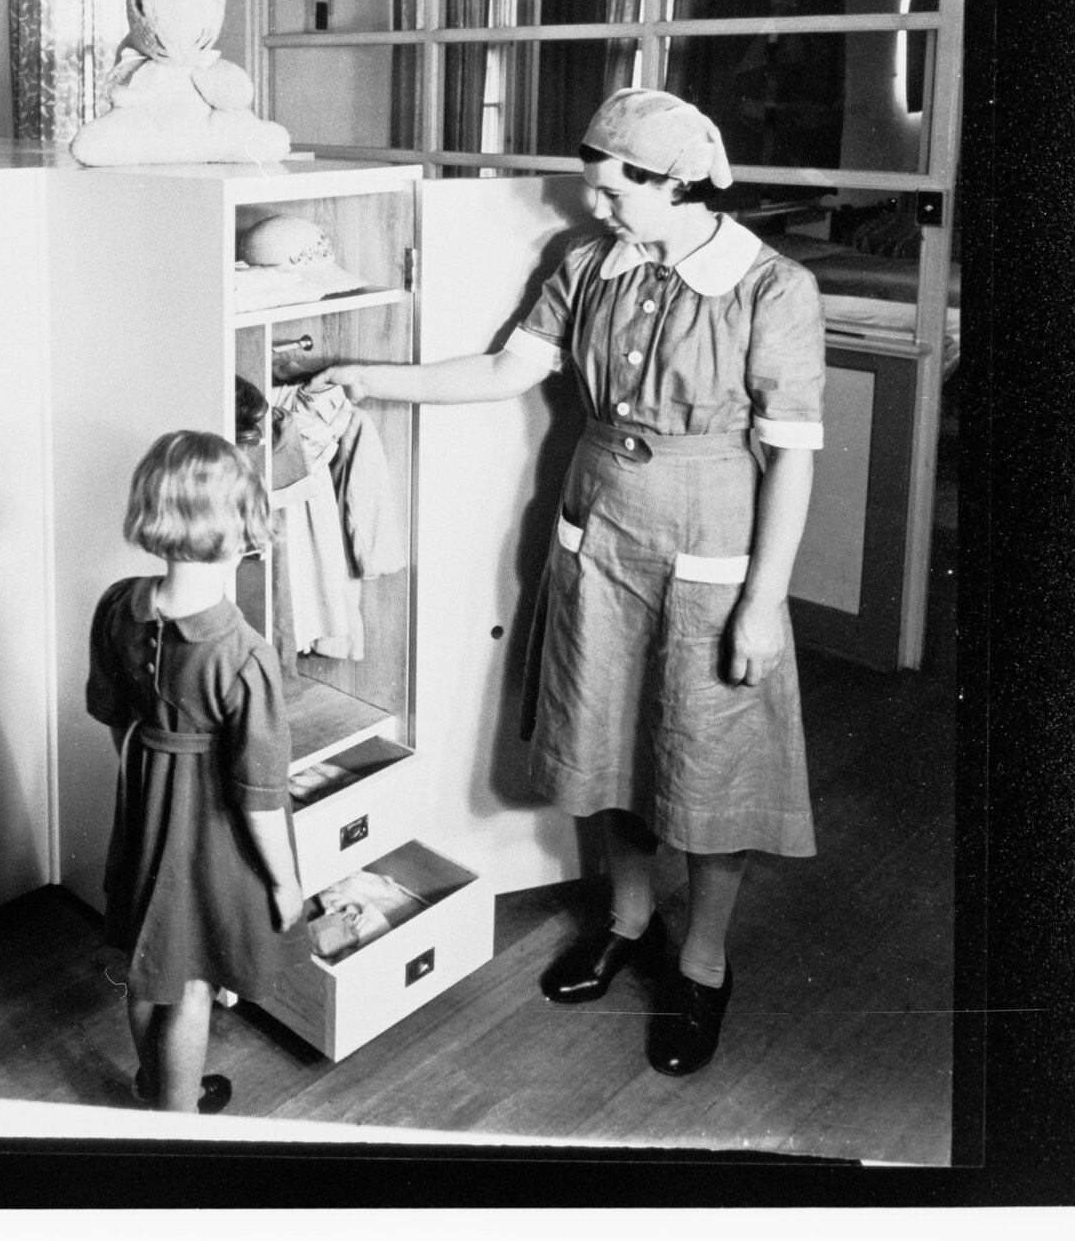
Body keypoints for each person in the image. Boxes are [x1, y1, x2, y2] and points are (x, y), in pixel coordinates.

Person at [316, 87, 825, 1077]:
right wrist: (364, 378)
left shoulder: (771, 288)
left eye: (611, 192)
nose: (593, 207)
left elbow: (792, 457)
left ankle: (703, 963)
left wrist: (763, 602)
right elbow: (503, 370)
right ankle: (627, 921)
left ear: (674, 184)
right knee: (606, 740)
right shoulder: (589, 267)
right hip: (597, 534)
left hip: (713, 548)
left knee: (712, 761)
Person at [87, 430, 308, 1114]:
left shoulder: (119, 605)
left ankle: (152, 1083)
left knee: (147, 966)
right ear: (242, 531)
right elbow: (260, 798)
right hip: (210, 831)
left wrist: (151, 774)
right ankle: (177, 1121)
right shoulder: (243, 654)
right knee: (190, 983)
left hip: (144, 804)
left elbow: (114, 717)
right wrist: (286, 884)